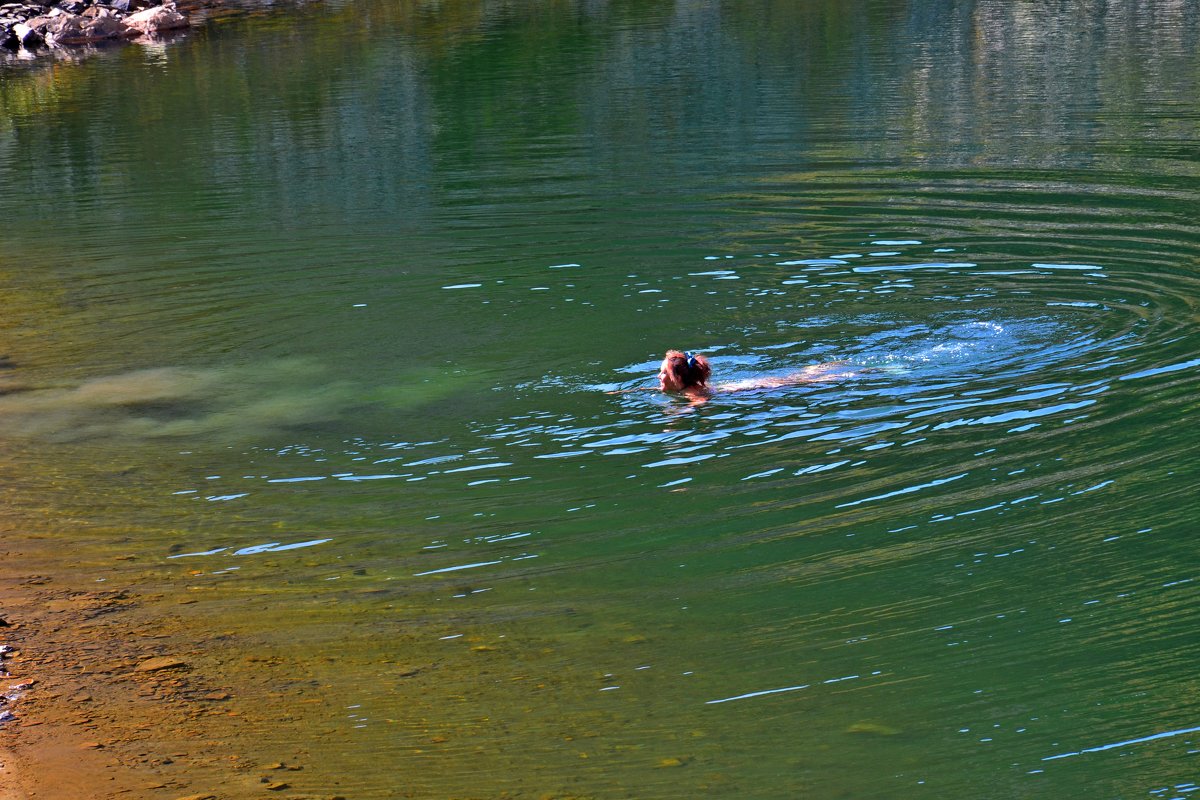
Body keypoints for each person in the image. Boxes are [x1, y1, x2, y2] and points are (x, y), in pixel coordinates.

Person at [611, 349, 853, 403]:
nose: (658, 376)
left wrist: (679, 415)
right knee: (804, 375)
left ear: (677, 380)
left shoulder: (691, 392)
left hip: (761, 388)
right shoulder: (684, 388)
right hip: (752, 384)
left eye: (663, 373)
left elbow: (700, 402)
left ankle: (861, 370)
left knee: (809, 379)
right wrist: (627, 392)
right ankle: (832, 366)